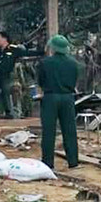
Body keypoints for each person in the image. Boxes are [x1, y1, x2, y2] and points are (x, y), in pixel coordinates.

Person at [37, 35, 79, 169]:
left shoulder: (45, 63)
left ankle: (48, 163)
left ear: (53, 48)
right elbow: (74, 80)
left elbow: (41, 81)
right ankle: (73, 161)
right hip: (68, 98)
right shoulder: (74, 63)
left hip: (50, 97)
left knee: (49, 131)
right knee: (70, 130)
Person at [0, 31, 32, 119]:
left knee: (5, 94)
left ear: (5, 39)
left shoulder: (14, 49)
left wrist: (42, 52)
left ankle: (9, 114)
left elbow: (27, 53)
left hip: (6, 76)